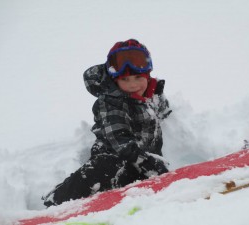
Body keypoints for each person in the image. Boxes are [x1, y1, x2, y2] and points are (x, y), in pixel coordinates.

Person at [42, 39, 172, 207]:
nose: (132, 85)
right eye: (125, 80)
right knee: (105, 167)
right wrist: (148, 163)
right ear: (115, 81)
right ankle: (58, 200)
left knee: (136, 173)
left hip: (142, 162)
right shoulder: (112, 102)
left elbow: (163, 114)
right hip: (115, 156)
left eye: (138, 77)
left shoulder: (153, 94)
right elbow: (120, 140)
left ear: (147, 75)